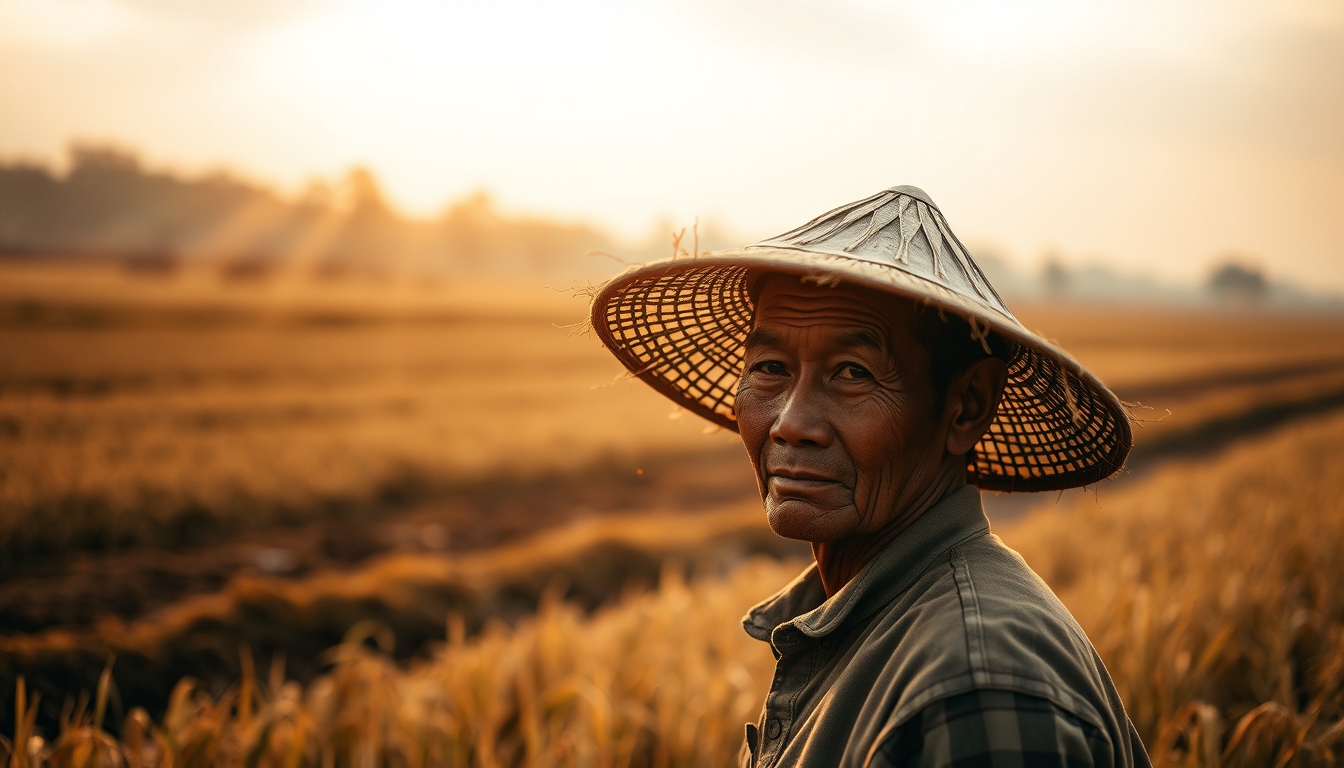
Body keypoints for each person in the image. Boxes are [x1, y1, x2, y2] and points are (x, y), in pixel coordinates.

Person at [590, 186, 1149, 767]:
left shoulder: (976, 687)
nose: (790, 423)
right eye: (770, 368)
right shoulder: (873, 621)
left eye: (852, 372)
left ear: (966, 406)